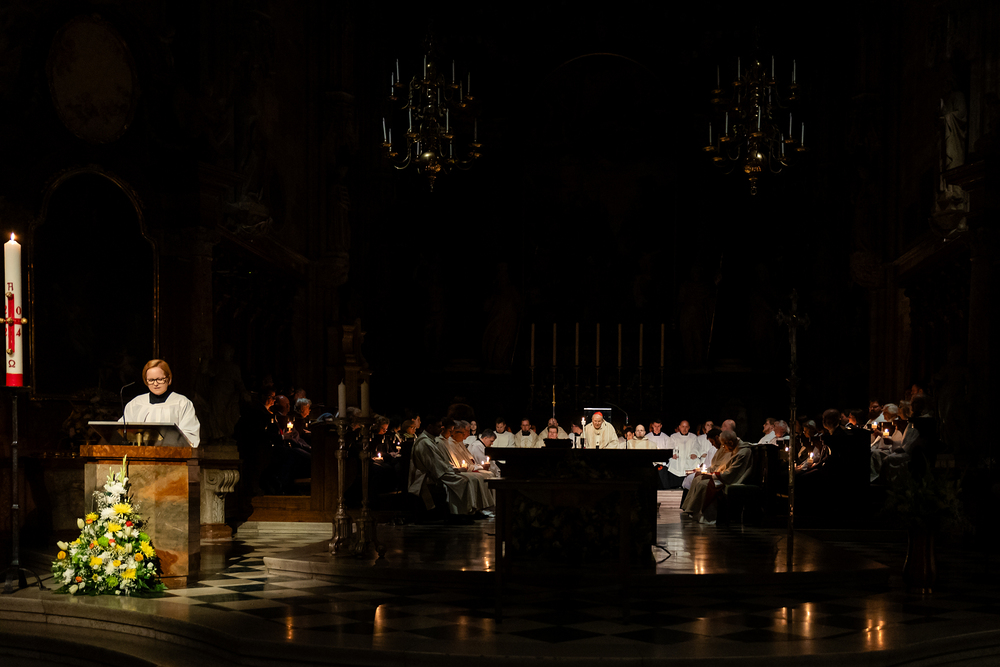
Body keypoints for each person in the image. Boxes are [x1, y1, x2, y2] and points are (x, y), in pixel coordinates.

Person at [121, 359, 201, 447]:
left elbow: (189, 435)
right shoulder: (135, 404)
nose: (155, 384)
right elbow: (122, 432)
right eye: (151, 380)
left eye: (160, 379)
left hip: (172, 453)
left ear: (168, 379)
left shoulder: (182, 403)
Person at [681, 430, 754, 524]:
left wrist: (712, 475)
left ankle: (708, 517)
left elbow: (731, 474)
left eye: (724, 445)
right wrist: (709, 473)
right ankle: (695, 513)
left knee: (703, 484)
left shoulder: (742, 452)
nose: (723, 447)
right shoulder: (733, 448)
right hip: (724, 476)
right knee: (698, 479)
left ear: (730, 442)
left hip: (732, 479)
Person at [664, 420, 698, 488]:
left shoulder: (693, 437)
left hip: (688, 461)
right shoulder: (674, 436)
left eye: (686, 427)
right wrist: (673, 453)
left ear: (689, 427)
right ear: (679, 427)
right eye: (683, 427)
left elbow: (696, 447)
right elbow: (670, 446)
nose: (684, 429)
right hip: (677, 462)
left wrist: (694, 453)